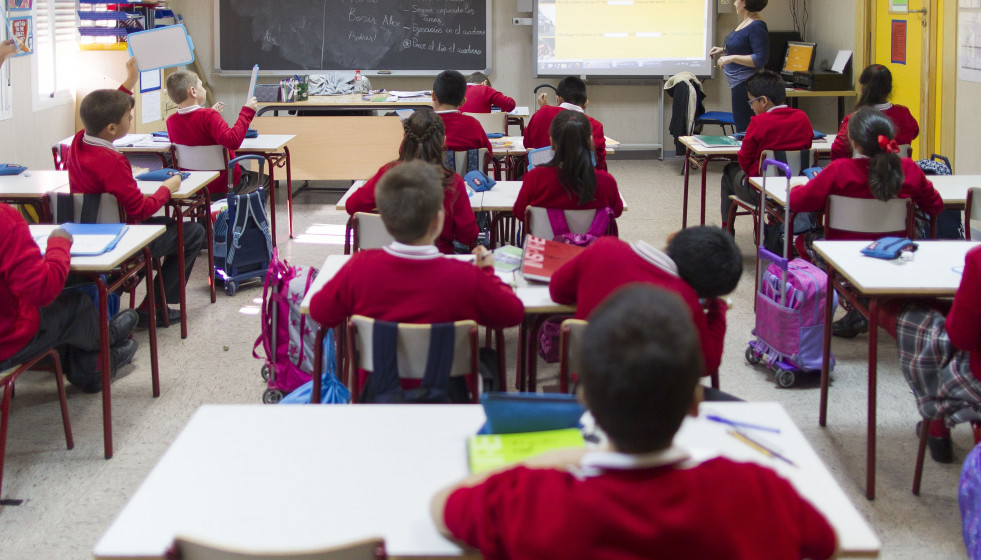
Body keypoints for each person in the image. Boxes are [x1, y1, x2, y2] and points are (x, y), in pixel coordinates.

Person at [431, 284, 838, 560]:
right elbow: (826, 542)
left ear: (584, 398)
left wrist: (547, 459)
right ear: (696, 403)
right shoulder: (757, 492)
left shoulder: (533, 500)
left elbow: (442, 506)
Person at [0, 47, 139, 394]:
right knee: (76, 303)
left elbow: (100, 116)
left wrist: (128, 84)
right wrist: (59, 245)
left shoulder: (78, 142)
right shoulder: (6, 222)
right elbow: (42, 290)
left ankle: (105, 345)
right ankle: (100, 358)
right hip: (7, 340)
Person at [311, 159, 523, 336]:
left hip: (378, 376)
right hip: (447, 376)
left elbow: (319, 312)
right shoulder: (466, 276)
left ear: (384, 220)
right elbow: (513, 314)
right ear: (438, 220)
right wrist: (487, 272)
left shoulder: (358, 269)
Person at [67, 59, 206, 329]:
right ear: (111, 128)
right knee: (192, 232)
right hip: (122, 237)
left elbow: (106, 109)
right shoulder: (113, 161)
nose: (131, 120)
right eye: (129, 118)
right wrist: (168, 188)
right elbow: (140, 209)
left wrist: (129, 82)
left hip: (89, 231)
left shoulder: (78, 141)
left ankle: (125, 293)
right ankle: (154, 307)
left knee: (168, 225)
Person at [789, 107, 942, 338]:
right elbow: (935, 206)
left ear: (853, 141)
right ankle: (877, 303)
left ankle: (853, 300)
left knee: (804, 241)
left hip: (843, 257)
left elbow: (799, 202)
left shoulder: (838, 170)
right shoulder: (909, 169)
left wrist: (796, 188)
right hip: (895, 254)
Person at [549, 226, 741, 382]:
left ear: (673, 237)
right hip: (649, 402)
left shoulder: (603, 248)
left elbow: (557, 291)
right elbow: (707, 364)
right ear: (700, 290)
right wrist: (717, 309)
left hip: (588, 386)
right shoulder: (685, 300)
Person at [345, 110, 479, 254]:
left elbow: (352, 205)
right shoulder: (451, 181)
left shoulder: (388, 172)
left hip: (390, 257)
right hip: (437, 257)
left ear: (405, 139)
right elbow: (468, 235)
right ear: (443, 141)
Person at [719, 69, 813, 229]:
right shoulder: (802, 118)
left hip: (762, 191)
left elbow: (745, 161)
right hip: (796, 186)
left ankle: (726, 230)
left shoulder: (758, 122)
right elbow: (807, 146)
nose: (751, 107)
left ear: (763, 100)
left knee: (729, 172)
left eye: (751, 102)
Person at [512, 111, 623, 222]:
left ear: (552, 141)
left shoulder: (535, 178)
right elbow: (617, 212)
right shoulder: (606, 182)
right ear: (590, 141)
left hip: (546, 234)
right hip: (594, 234)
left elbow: (519, 213)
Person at [165, 70, 259, 197]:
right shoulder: (209, 116)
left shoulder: (171, 121)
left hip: (194, 185)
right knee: (264, 181)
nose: (204, 89)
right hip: (223, 183)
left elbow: (193, 127)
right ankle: (240, 210)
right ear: (193, 91)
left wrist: (210, 114)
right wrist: (247, 112)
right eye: (201, 85)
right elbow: (233, 141)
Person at [830, 64, 919, 161]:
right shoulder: (905, 114)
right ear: (890, 88)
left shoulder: (854, 119)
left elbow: (837, 151)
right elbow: (915, 132)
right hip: (899, 169)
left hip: (862, 170)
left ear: (863, 88)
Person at [710, 0, 770, 133]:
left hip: (747, 86)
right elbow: (744, 47)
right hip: (738, 85)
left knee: (744, 130)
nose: (734, 3)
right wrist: (723, 49)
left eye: (736, 0)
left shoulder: (757, 26)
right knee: (742, 126)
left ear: (745, 2)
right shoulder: (746, 22)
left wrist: (731, 58)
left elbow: (761, 58)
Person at [524, 76, 608, 170]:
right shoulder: (596, 126)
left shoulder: (543, 112)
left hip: (542, 175)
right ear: (585, 103)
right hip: (581, 177)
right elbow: (600, 165)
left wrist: (543, 108)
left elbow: (527, 144)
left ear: (558, 99)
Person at [432, 70, 493, 155]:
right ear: (463, 101)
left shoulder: (423, 125)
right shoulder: (473, 125)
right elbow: (488, 154)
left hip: (430, 164)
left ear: (433, 96)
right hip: (466, 164)